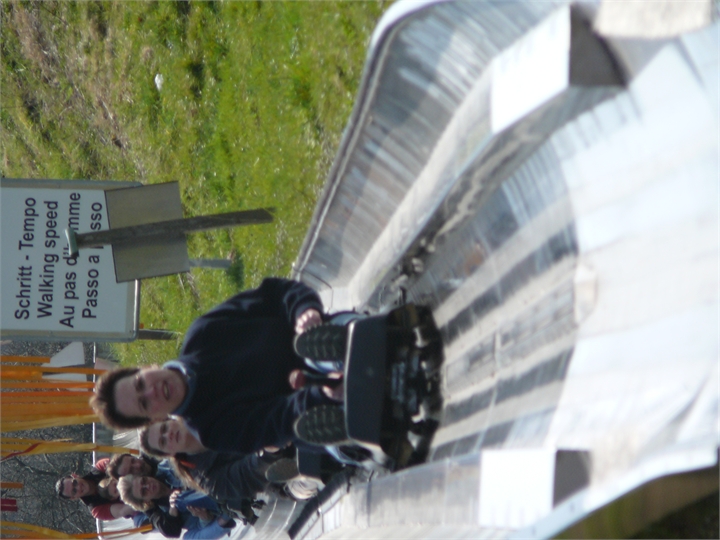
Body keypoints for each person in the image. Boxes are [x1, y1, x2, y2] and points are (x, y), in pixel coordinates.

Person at [91, 278, 341, 454]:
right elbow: (275, 422)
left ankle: (327, 353)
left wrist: (304, 312)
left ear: (145, 367)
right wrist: (319, 393)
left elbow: (275, 293)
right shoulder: (212, 430)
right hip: (315, 403)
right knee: (324, 429)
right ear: (154, 418)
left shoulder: (203, 332)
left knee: (326, 347)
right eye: (144, 403)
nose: (151, 391)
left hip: (319, 335)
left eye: (140, 383)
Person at [139, 418, 318, 506]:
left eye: (164, 428)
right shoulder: (208, 478)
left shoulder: (207, 409)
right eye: (163, 441)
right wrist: (269, 450)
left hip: (284, 423)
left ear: (171, 419)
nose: (168, 435)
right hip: (283, 476)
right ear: (169, 453)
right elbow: (248, 473)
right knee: (305, 470)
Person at [118, 473, 235, 539]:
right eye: (144, 491)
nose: (148, 486)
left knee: (179, 499)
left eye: (144, 481)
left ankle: (229, 505)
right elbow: (198, 525)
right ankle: (226, 515)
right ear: (146, 501)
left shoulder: (166, 470)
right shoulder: (167, 513)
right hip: (217, 507)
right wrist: (204, 518)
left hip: (216, 482)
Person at [55, 458, 135, 520]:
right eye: (74, 491)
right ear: (73, 498)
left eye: (75, 482)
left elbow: (128, 464)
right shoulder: (97, 510)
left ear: (75, 476)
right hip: (135, 502)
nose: (79, 487)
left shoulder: (100, 467)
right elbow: (123, 510)